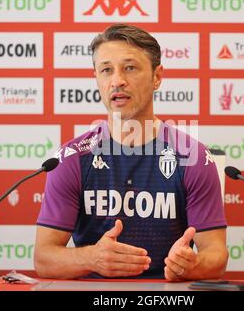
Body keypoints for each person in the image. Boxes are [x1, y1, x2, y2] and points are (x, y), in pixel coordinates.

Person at [34, 24, 228, 281]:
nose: (117, 81)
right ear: (96, 78)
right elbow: (43, 258)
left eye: (130, 68)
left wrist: (193, 265)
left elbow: (216, 253)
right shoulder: (72, 158)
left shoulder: (192, 158)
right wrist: (92, 258)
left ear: (157, 77)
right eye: (106, 70)